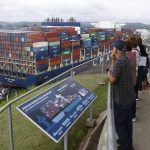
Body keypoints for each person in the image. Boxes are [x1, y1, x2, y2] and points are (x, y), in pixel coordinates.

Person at [107, 40, 135, 150]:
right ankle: (128, 141)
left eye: (113, 48)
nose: (112, 50)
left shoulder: (120, 63)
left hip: (121, 99)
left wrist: (108, 73)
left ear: (116, 50)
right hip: (129, 97)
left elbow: (112, 79)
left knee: (119, 123)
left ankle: (126, 146)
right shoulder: (126, 59)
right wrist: (114, 59)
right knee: (128, 123)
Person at [125, 40, 137, 122]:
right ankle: (133, 116)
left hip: (128, 81)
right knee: (133, 98)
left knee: (128, 100)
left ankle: (129, 115)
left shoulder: (126, 56)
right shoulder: (134, 54)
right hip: (134, 79)